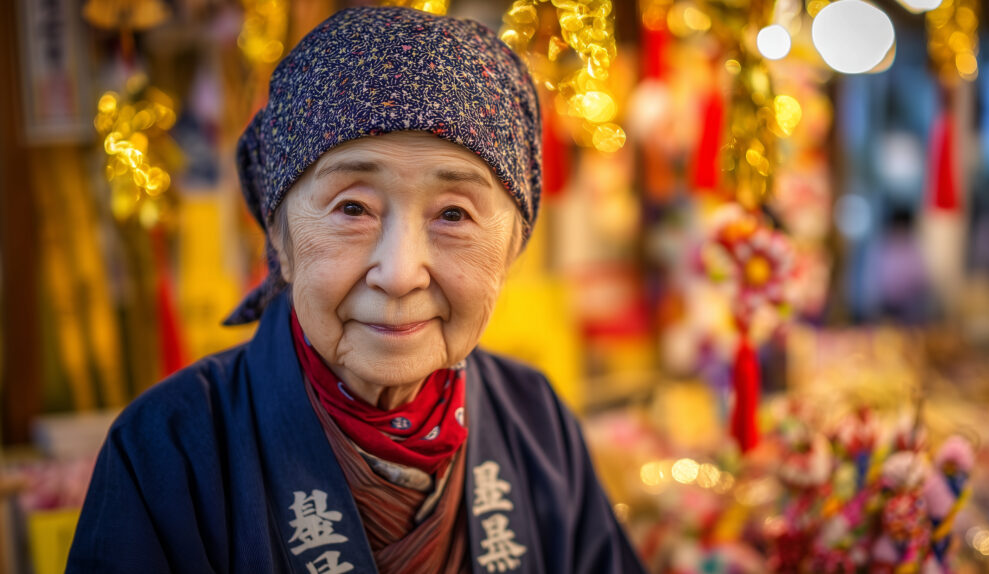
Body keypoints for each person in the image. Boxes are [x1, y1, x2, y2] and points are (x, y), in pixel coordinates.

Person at [67, 6, 646, 574]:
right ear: (280, 234)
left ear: (514, 245)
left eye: (453, 213)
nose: (399, 272)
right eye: (352, 208)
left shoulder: (535, 419)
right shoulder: (167, 451)